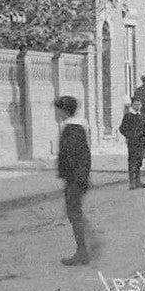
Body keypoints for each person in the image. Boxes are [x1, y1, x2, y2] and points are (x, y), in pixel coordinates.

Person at [55, 95, 92, 266]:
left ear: (64, 111)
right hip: (75, 178)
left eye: (58, 110)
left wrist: (76, 180)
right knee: (74, 212)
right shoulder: (74, 127)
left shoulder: (73, 129)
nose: (56, 114)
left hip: (75, 179)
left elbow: (77, 157)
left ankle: (82, 251)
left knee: (74, 213)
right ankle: (85, 246)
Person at [118, 97, 145, 189]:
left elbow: (144, 128)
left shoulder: (140, 116)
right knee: (132, 161)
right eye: (136, 104)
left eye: (139, 104)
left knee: (139, 161)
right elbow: (122, 128)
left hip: (140, 141)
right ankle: (131, 182)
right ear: (132, 105)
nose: (138, 106)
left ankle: (138, 181)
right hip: (132, 142)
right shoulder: (128, 116)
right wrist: (129, 136)